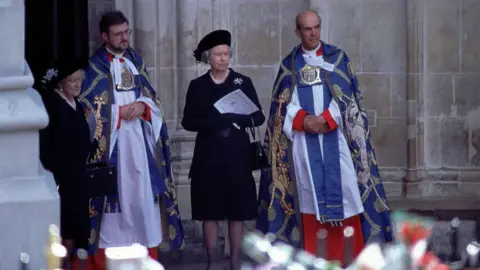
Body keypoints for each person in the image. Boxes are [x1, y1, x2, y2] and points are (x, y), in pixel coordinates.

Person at [256, 10, 393, 264]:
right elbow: (281, 107)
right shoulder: (289, 65)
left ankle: (349, 260)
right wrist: (304, 121)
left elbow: (348, 99)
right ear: (298, 32)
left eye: (317, 27)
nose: (314, 33)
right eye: (307, 29)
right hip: (303, 147)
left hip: (336, 142)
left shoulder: (337, 58)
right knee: (308, 199)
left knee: (347, 194)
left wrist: (327, 120)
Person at [78, 10, 184, 269]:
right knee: (115, 213)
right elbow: (87, 108)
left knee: (143, 207)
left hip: (140, 147)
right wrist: (117, 113)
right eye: (118, 34)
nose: (125, 38)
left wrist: (144, 107)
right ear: (104, 36)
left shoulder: (136, 59)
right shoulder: (94, 66)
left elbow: (152, 97)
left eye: (127, 32)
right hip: (114, 151)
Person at [181, 29, 265, 270]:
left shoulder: (242, 82)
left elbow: (258, 116)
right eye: (218, 54)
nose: (223, 58)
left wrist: (235, 116)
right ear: (209, 57)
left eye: (226, 53)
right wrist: (215, 119)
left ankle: (235, 259)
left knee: (237, 210)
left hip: (236, 155)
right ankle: (211, 261)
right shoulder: (197, 86)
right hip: (208, 155)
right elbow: (188, 122)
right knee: (210, 210)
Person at [38, 56, 94, 268]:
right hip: (63, 176)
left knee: (77, 226)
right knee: (66, 226)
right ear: (61, 82)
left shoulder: (76, 104)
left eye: (79, 80)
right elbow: (49, 144)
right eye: (72, 81)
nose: (77, 84)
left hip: (77, 175)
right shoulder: (54, 105)